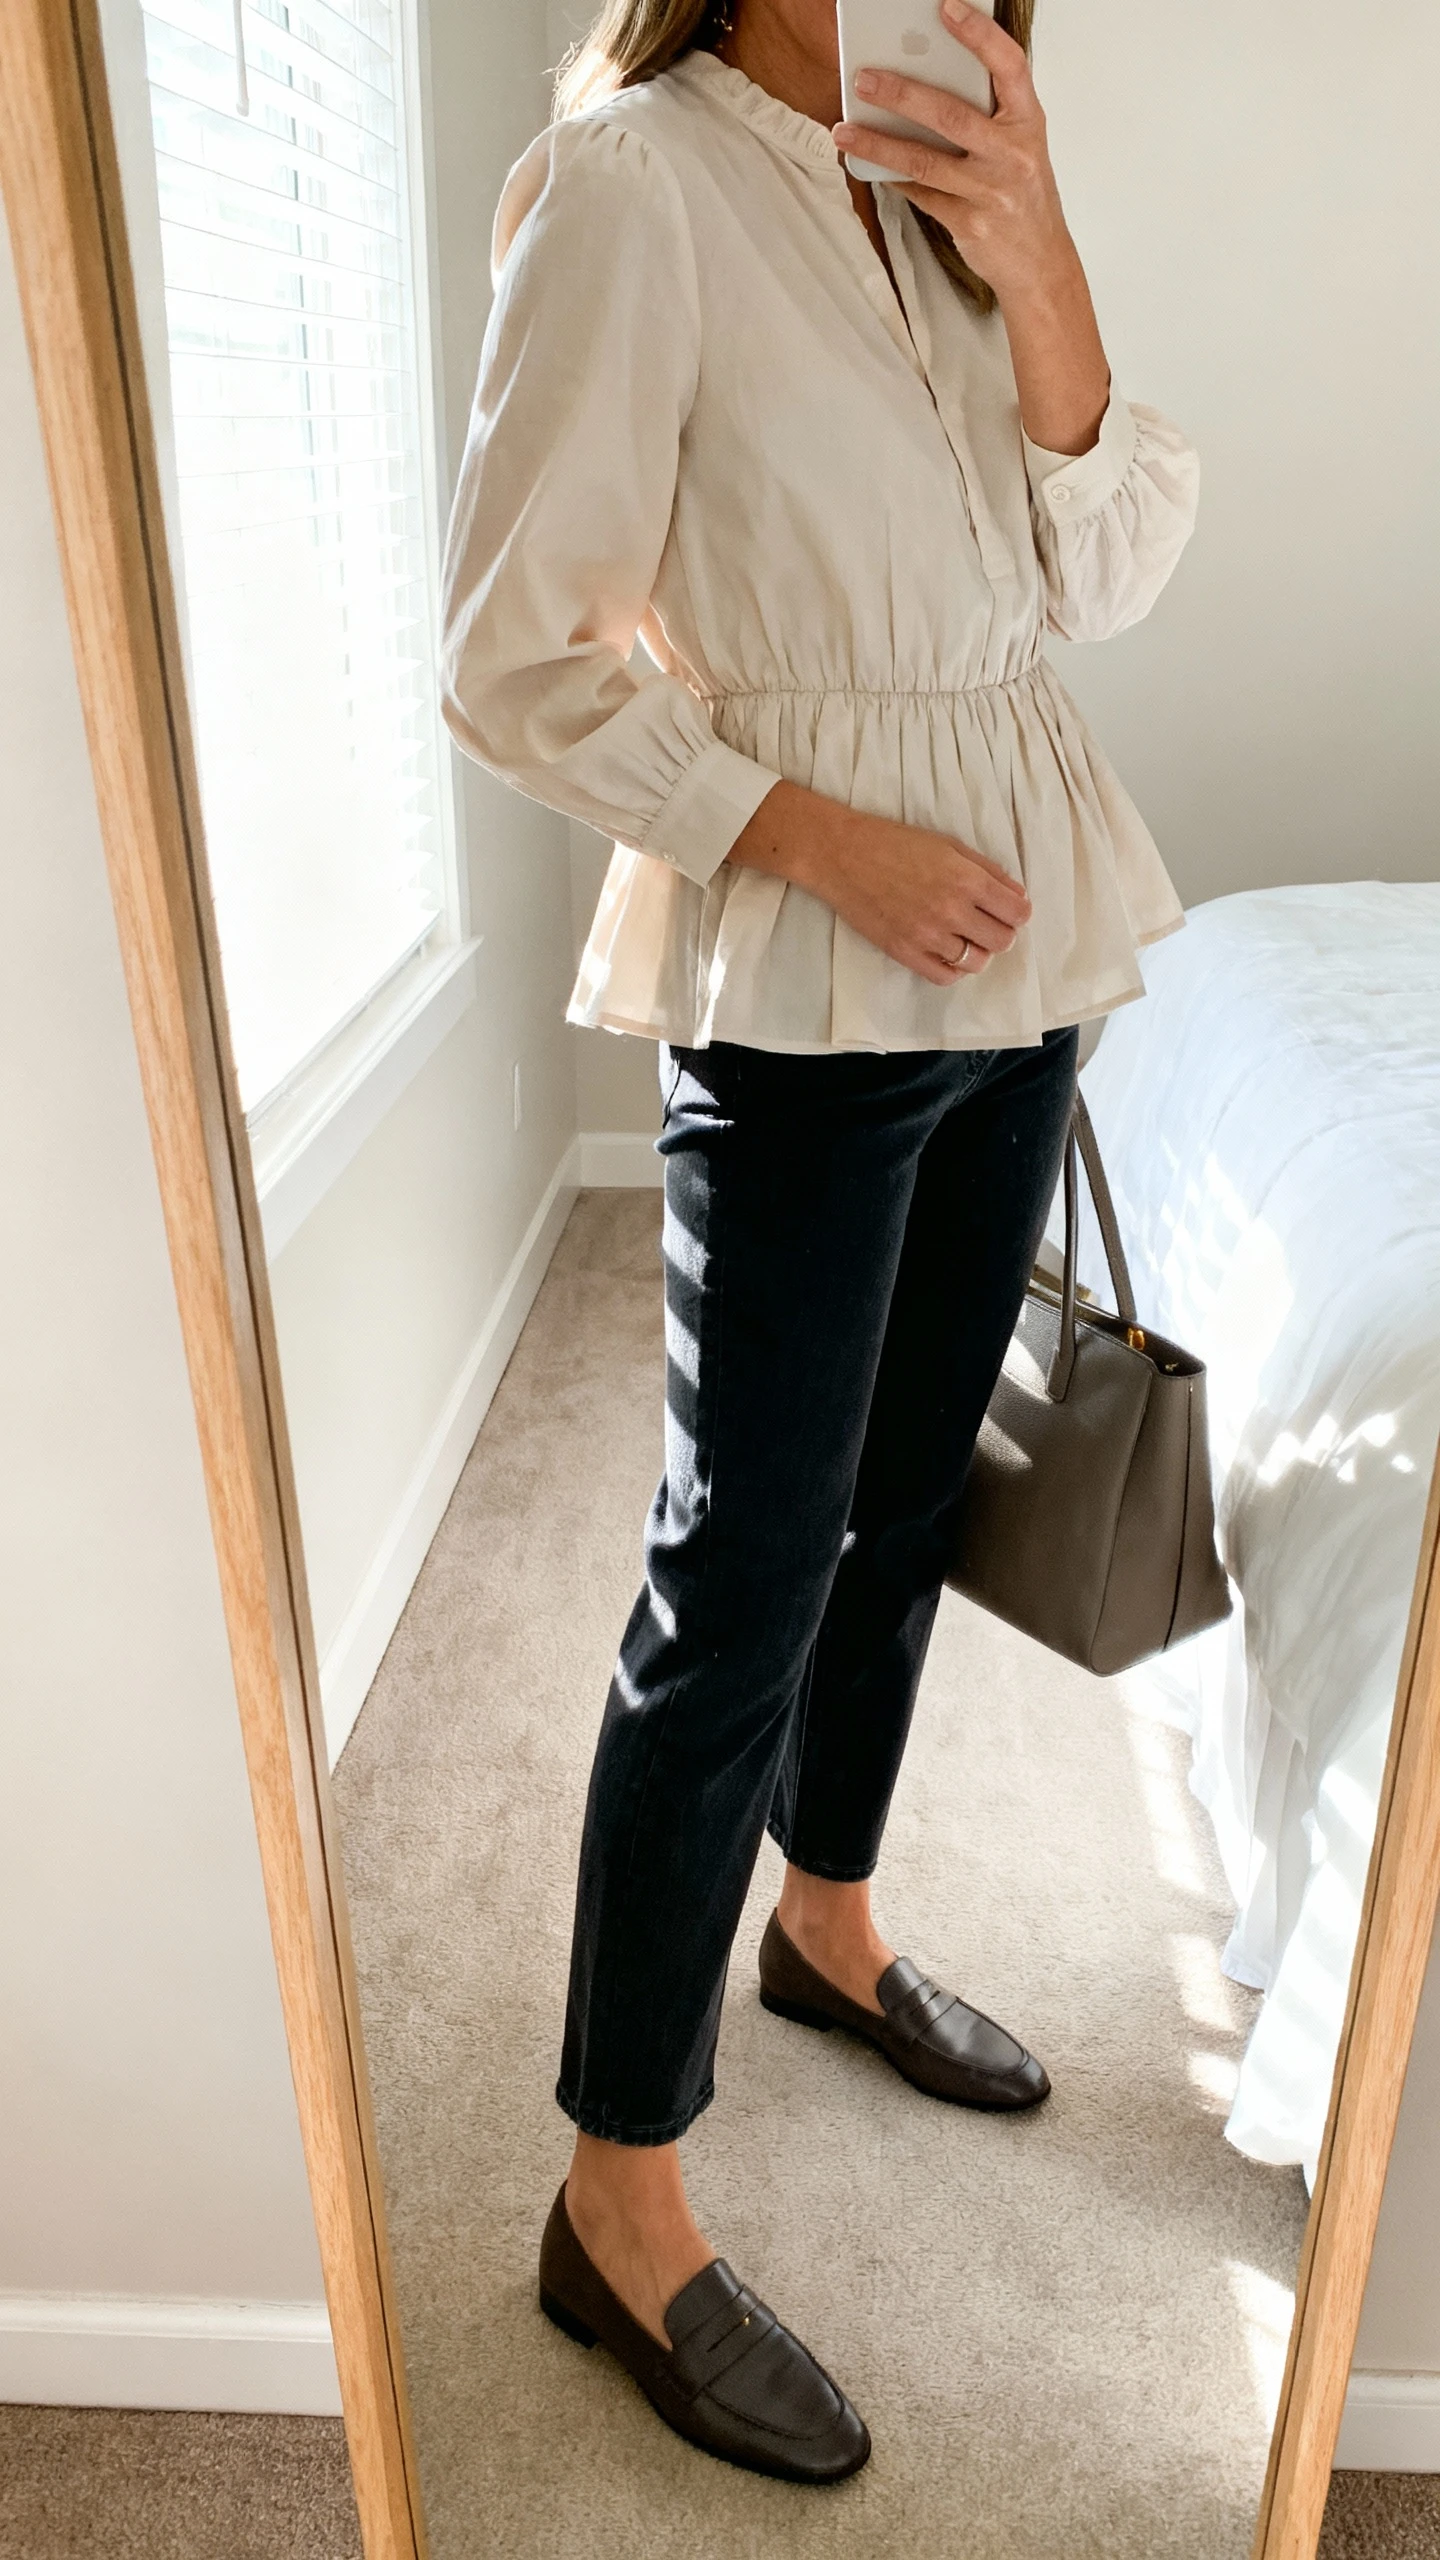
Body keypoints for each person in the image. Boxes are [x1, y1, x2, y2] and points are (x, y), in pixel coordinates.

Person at [440, 0, 1197, 2483]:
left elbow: (1105, 567)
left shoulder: (968, 179)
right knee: (738, 1566)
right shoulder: (636, 184)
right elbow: (514, 651)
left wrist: (1048, 243)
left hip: (1031, 937)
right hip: (800, 980)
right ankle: (617, 2197)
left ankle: (831, 1919)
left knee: (899, 1502)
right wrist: (811, 831)